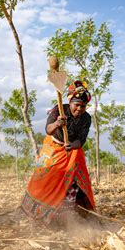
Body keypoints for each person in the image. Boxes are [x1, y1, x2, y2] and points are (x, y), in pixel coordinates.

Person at [20, 80, 95, 226]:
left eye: (83, 106)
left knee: (73, 181)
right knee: (44, 178)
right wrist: (57, 124)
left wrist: (71, 145)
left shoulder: (86, 118)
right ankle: (38, 214)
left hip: (73, 152)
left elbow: (81, 140)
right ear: (70, 102)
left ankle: (66, 216)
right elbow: (48, 129)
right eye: (77, 105)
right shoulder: (59, 110)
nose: (80, 109)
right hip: (53, 148)